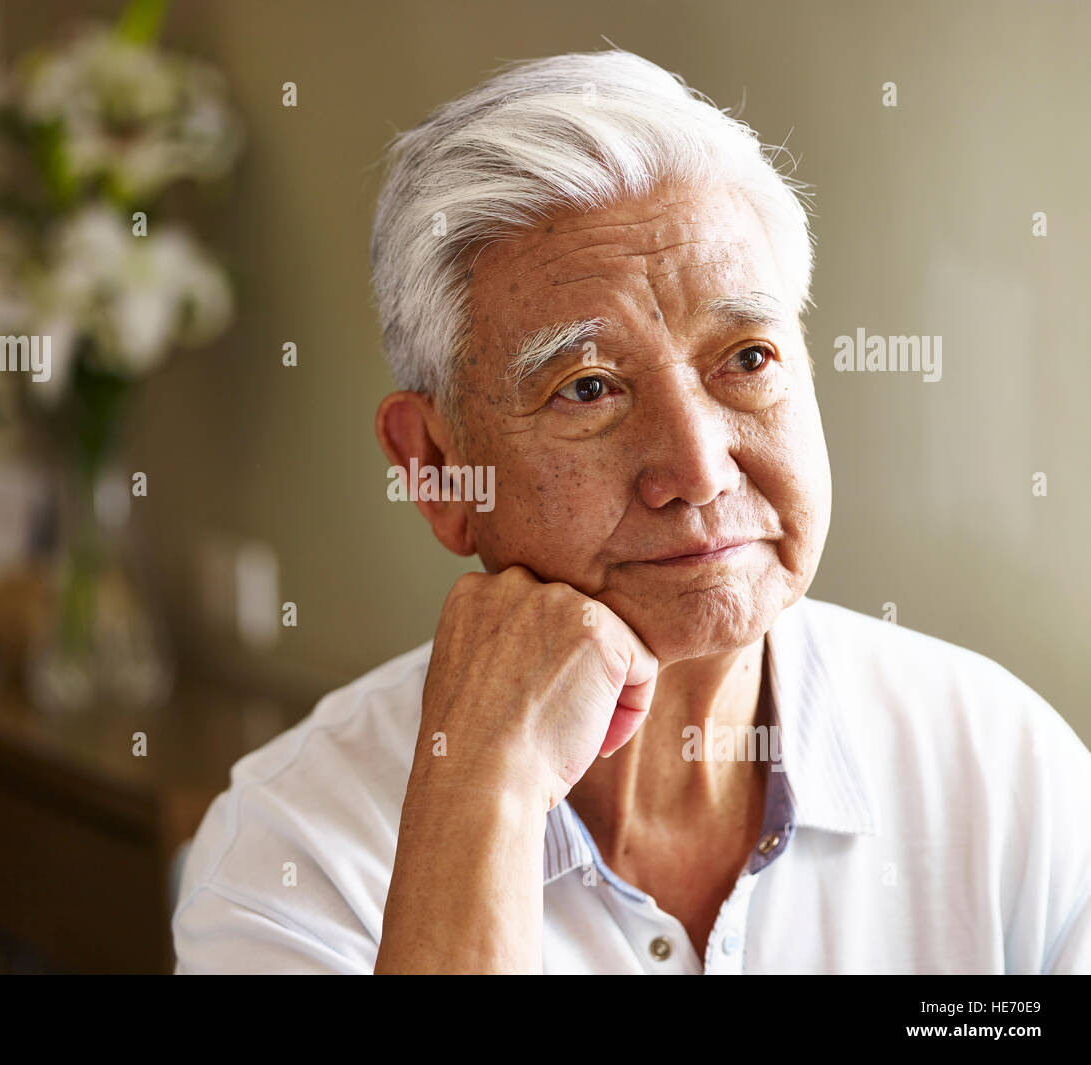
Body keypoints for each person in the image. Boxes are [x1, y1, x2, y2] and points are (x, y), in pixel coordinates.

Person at [172, 49, 1091, 974]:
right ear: (438, 467)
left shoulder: (1005, 768)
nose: (695, 467)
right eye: (588, 387)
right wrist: (483, 800)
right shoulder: (291, 854)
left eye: (747, 358)